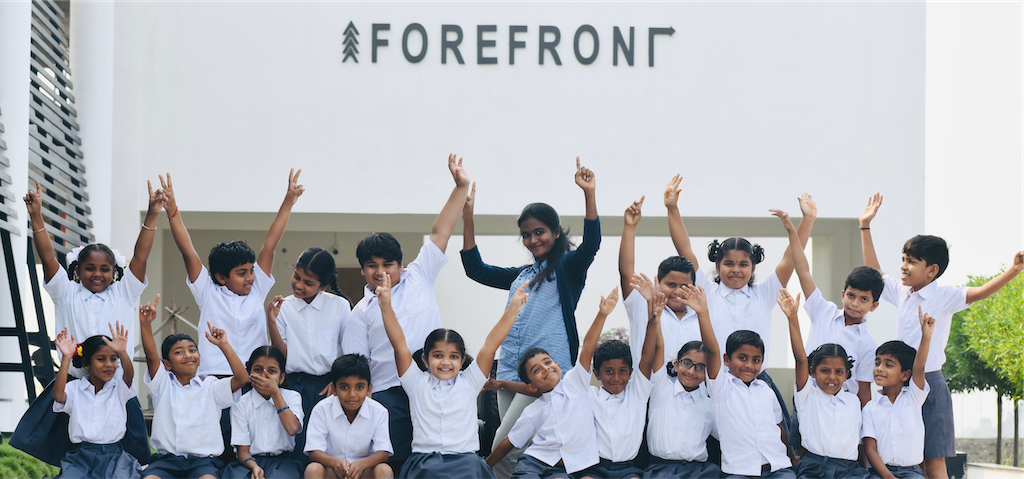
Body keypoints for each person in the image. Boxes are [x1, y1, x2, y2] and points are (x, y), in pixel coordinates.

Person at [859, 192, 1024, 479]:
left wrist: (1014, 270)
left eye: (911, 261)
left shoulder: (944, 296)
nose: (903, 266)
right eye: (903, 259)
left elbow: (981, 292)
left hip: (930, 384)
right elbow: (874, 273)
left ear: (932, 270)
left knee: (933, 462)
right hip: (901, 383)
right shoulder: (902, 291)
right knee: (901, 457)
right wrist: (865, 227)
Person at [463, 157, 600, 477]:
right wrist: (467, 218)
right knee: (526, 446)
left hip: (546, 376)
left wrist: (589, 194)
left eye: (540, 232)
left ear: (555, 232)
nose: (533, 239)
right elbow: (475, 270)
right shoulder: (521, 275)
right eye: (526, 234)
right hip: (511, 371)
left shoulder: (566, 268)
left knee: (504, 445)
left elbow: (591, 244)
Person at [11, 179, 162, 466]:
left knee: (125, 457)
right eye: (90, 268)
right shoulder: (65, 292)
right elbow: (47, 255)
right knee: (71, 455)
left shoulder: (124, 292)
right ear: (77, 271)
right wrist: (36, 217)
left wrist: (153, 213)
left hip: (115, 383)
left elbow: (141, 255)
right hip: (75, 385)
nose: (97, 274)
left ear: (115, 272)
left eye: (105, 269)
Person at [341, 154, 471, 468]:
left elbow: (441, 231)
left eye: (388, 264)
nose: (380, 271)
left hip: (437, 385)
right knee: (397, 462)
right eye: (371, 265)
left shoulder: (420, 275)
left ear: (401, 264)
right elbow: (358, 365)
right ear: (362, 271)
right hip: (390, 394)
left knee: (441, 456)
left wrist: (460, 186)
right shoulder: (359, 312)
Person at [666, 175, 817, 434]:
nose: (736, 270)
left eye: (743, 264)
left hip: (756, 380)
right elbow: (685, 249)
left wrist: (807, 220)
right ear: (717, 266)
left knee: (773, 439)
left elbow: (790, 258)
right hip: (716, 382)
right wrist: (672, 208)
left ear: (753, 267)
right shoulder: (706, 292)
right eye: (729, 264)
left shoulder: (764, 293)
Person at [378, 270, 527, 479]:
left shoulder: (471, 382)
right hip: (425, 463)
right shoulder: (415, 383)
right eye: (438, 355)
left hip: (465, 461)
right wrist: (386, 306)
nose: (446, 362)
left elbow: (490, 345)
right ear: (425, 360)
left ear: (462, 360)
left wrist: (513, 310)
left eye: (454, 356)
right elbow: (400, 345)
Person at [160, 169, 302, 378]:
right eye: (241, 273)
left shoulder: (257, 289)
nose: (250, 277)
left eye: (251, 270)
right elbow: (188, 251)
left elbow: (269, 246)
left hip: (254, 379)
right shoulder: (207, 291)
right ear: (221, 277)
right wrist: (172, 212)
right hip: (214, 378)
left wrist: (288, 201)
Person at [486, 289, 616, 479]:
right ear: (531, 386)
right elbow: (509, 441)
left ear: (558, 365)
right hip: (536, 461)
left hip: (577, 465)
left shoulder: (575, 383)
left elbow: (588, 346)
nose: (545, 368)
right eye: (536, 370)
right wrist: (484, 465)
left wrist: (602, 314)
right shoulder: (533, 411)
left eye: (547, 362)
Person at [775, 218, 868, 479]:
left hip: (848, 470)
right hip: (813, 466)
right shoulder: (808, 395)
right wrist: (793, 318)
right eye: (825, 370)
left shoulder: (853, 402)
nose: (832, 376)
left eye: (839, 372)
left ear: (847, 375)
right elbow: (800, 359)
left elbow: (859, 435)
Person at [141, 295, 250, 479]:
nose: (188, 355)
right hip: (166, 461)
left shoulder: (211, 386)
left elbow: (241, 378)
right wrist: (145, 325)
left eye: (192, 350)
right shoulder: (162, 383)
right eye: (178, 352)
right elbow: (151, 356)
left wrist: (224, 345)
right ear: (167, 364)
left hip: (203, 462)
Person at [695, 286, 794, 479]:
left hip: (777, 469)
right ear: (726, 360)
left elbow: (779, 428)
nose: (749, 365)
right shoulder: (721, 387)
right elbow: (711, 349)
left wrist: (791, 458)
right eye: (742, 358)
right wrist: (702, 312)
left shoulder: (766, 390)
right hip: (739, 472)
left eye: (756, 360)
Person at [267, 246, 352, 457]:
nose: (299, 285)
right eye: (297, 276)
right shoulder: (284, 307)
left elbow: (348, 350)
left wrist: (338, 381)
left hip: (330, 386)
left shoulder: (340, 306)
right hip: (296, 387)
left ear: (323, 286)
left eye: (308, 282)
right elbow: (282, 356)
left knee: (331, 446)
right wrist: (272, 321)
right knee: (298, 447)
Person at [638, 285, 719, 479]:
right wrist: (654, 314)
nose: (692, 371)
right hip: (659, 470)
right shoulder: (662, 387)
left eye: (700, 367)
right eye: (687, 363)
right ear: (676, 364)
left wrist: (702, 312)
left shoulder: (710, 403)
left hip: (699, 471)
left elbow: (728, 436)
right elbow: (658, 347)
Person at [577, 285, 657, 479]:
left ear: (630, 372)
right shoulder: (589, 395)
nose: (616, 378)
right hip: (594, 467)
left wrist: (653, 320)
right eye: (609, 372)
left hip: (628, 469)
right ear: (596, 374)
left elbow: (647, 357)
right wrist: (602, 315)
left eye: (622, 371)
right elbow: (587, 349)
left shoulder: (637, 393)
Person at [49, 323, 141, 479]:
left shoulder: (119, 388)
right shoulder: (74, 389)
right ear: (86, 364)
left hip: (115, 457)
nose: (109, 364)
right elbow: (58, 396)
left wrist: (122, 352)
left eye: (114, 359)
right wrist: (66, 358)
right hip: (81, 457)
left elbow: (129, 375)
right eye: (101, 359)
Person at [618, 192, 699, 365]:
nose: (677, 290)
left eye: (684, 285)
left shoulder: (701, 316)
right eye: (671, 284)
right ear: (658, 283)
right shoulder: (643, 306)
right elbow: (626, 273)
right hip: (648, 391)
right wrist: (630, 227)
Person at [861, 308, 935, 479]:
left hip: (911, 472)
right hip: (879, 473)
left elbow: (919, 367)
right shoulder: (870, 409)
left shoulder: (914, 398)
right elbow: (870, 449)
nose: (879, 368)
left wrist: (926, 337)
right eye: (877, 362)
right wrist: (888, 477)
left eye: (888, 364)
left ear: (905, 375)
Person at [304, 354, 394, 479]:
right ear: (334, 389)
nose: (352, 394)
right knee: (313, 469)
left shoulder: (379, 411)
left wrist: (362, 464)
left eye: (359, 387)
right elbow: (314, 451)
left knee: (384, 470)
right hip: (333, 472)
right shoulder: (322, 409)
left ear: (369, 389)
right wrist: (335, 463)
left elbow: (383, 452)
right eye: (344, 387)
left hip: (363, 472)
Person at [222, 346, 304, 479]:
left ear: (282, 377)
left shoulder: (292, 397)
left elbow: (293, 428)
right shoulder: (241, 403)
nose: (264, 375)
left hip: (282, 462)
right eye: (258, 370)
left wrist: (275, 392)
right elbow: (243, 451)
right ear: (250, 374)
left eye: (272, 371)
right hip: (249, 462)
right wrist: (254, 467)